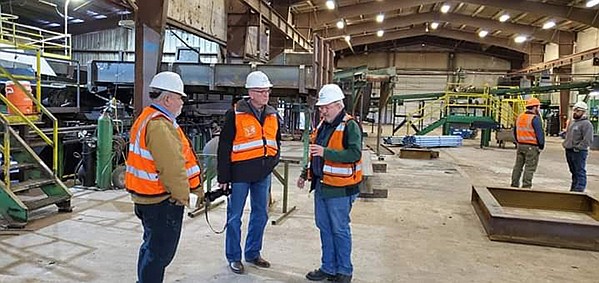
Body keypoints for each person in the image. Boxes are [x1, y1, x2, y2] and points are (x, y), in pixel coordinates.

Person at [125, 71, 202, 283]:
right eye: (180, 98)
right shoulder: (159, 124)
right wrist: (183, 197)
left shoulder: (148, 117)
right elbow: (172, 168)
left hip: (147, 199)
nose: (182, 103)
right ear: (167, 99)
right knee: (160, 253)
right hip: (161, 201)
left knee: (150, 247)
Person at [297, 84, 362, 283]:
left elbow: (355, 153)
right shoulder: (322, 125)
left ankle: (344, 271)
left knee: (339, 230)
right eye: (321, 107)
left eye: (325, 107)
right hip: (322, 186)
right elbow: (315, 153)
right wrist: (304, 174)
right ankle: (328, 268)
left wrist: (327, 153)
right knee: (324, 228)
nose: (322, 110)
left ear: (337, 105)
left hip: (340, 190)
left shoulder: (349, 125)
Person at [217, 70, 281, 274]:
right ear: (251, 93)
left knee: (260, 214)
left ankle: (253, 253)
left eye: (267, 91)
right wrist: (224, 176)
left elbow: (276, 141)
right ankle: (234, 257)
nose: (266, 94)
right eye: (262, 91)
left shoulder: (272, 114)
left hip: (263, 173)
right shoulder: (234, 114)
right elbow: (224, 146)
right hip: (239, 175)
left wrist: (272, 162)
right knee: (234, 217)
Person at [511, 97, 545, 189]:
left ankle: (514, 185)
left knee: (518, 167)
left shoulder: (520, 117)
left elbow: (514, 131)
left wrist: (518, 141)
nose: (539, 109)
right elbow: (539, 133)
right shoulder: (535, 118)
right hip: (532, 147)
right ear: (535, 107)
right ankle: (526, 186)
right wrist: (541, 145)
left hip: (520, 145)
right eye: (538, 107)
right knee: (529, 168)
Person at [563, 101, 594, 192]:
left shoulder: (586, 124)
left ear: (583, 112)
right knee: (573, 171)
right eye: (574, 110)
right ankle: (574, 189)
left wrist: (578, 147)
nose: (575, 112)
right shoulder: (573, 123)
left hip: (578, 152)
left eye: (577, 111)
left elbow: (587, 139)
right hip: (569, 150)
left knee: (579, 171)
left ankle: (579, 190)